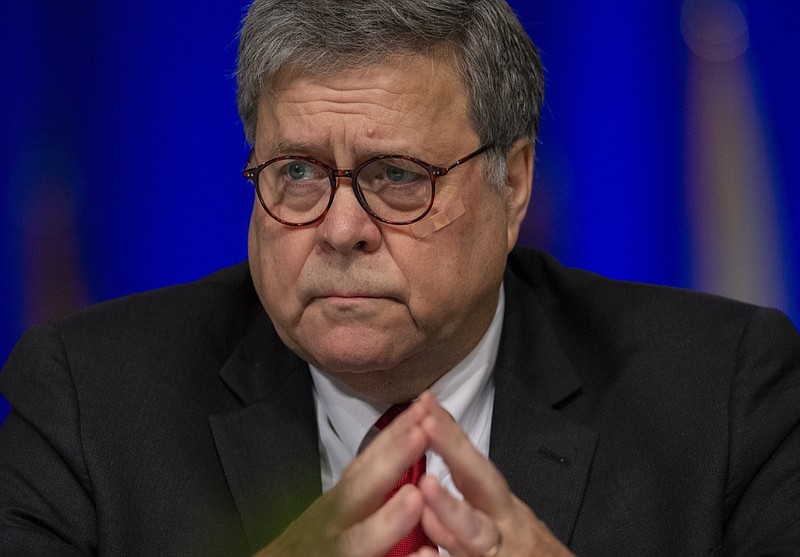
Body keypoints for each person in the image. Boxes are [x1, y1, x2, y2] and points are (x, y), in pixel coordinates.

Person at [1, 0, 799, 555]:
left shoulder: (722, 391)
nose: (341, 230)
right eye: (299, 173)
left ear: (513, 184)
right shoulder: (89, 398)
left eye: (397, 176)